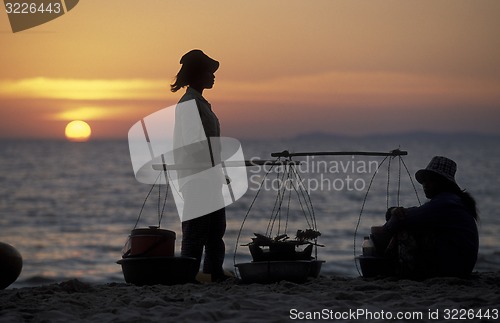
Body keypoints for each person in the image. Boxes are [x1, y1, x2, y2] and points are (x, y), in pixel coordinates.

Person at [170, 49, 229, 282]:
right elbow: (195, 145)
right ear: (198, 74)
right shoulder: (190, 103)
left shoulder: (199, 102)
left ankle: (213, 273)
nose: (213, 76)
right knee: (196, 232)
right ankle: (188, 277)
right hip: (197, 178)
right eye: (209, 72)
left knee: (215, 231)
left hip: (208, 176)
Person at [382, 156, 479, 278]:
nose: (425, 185)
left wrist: (388, 222)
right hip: (461, 266)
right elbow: (416, 214)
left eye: (431, 180)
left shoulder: (445, 203)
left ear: (443, 183)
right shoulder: (453, 201)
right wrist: (393, 211)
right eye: (424, 181)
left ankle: (396, 272)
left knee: (405, 231)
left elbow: (398, 221)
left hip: (454, 268)